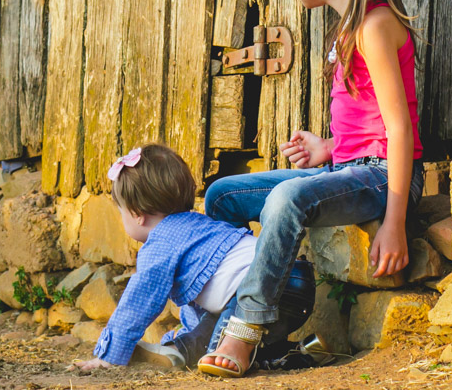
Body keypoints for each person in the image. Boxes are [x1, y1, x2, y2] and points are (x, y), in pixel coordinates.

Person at [199, 0, 425, 377]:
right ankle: (285, 298)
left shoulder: (375, 26)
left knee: (286, 197)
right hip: (347, 166)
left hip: (384, 178)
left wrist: (395, 221)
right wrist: (327, 148)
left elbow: (399, 130)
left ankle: (246, 329)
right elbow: (365, 124)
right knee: (223, 196)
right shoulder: (349, 27)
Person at [72, 143, 315, 373]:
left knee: (214, 354)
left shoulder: (161, 242)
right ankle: (300, 352)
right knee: (216, 328)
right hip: (295, 282)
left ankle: (180, 352)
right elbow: (198, 307)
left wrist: (109, 355)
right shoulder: (199, 226)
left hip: (258, 288)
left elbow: (139, 300)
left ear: (136, 214)